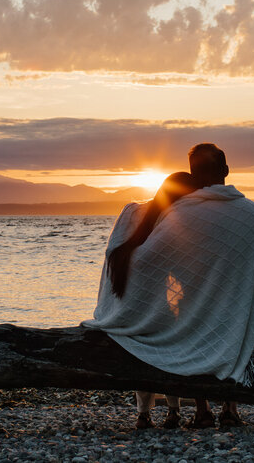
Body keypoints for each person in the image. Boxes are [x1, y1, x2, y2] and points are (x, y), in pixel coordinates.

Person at [85, 143, 254, 429]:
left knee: (191, 320)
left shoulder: (182, 212)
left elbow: (156, 260)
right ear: (226, 170)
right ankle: (230, 409)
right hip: (238, 309)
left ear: (193, 172)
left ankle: (202, 410)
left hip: (193, 308)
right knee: (239, 325)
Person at [103, 171, 201, 429]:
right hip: (152, 307)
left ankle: (145, 414)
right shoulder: (174, 221)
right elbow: (181, 266)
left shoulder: (132, 212)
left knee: (145, 351)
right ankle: (172, 411)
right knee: (169, 346)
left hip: (130, 307)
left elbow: (116, 253)